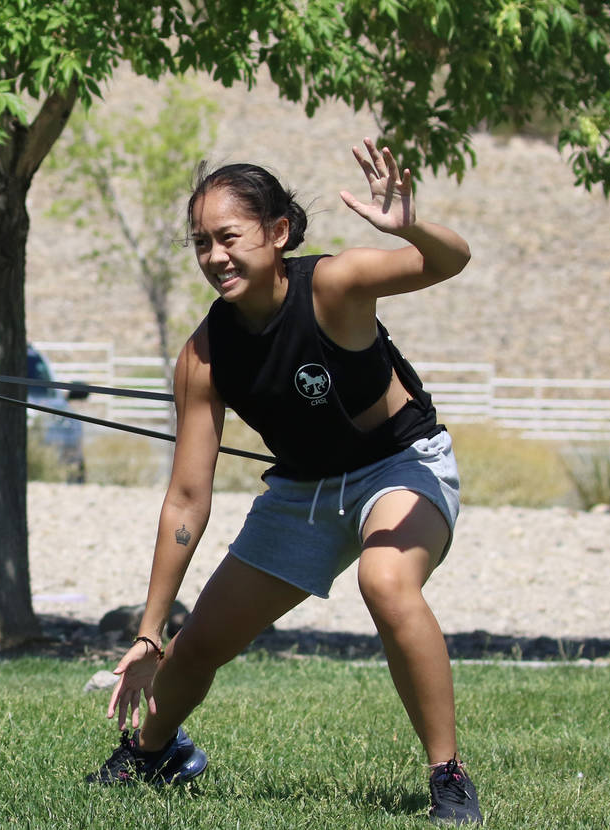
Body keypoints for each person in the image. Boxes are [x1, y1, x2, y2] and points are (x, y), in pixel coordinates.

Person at [85, 139, 482, 824]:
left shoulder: (334, 285)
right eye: (202, 243)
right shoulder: (204, 356)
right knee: (201, 643)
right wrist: (151, 630)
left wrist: (407, 225)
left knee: (386, 581)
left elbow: (450, 260)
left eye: (229, 237)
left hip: (403, 466)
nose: (215, 257)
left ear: (277, 233)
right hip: (304, 493)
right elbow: (187, 497)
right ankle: (155, 752)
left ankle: (448, 774)